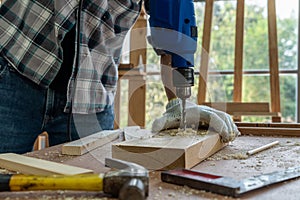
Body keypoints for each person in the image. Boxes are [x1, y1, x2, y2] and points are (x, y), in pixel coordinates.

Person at [0, 0, 142, 153]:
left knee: (87, 175)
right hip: (16, 69)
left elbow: (168, 12)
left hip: (91, 94)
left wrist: (172, 98)